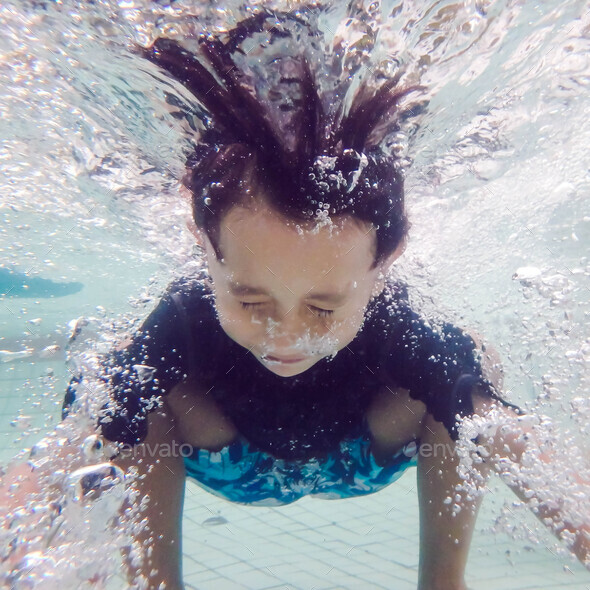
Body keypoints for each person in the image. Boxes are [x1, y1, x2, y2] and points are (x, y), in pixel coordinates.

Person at [4, 10, 589, 590]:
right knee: (116, 397)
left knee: (471, 384)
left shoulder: (400, 320)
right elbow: (66, 447)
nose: (286, 337)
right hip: (223, 453)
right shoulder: (183, 313)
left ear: (380, 269)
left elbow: (514, 437)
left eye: (324, 308)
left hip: (363, 453)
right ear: (204, 250)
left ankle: (443, 583)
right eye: (251, 301)